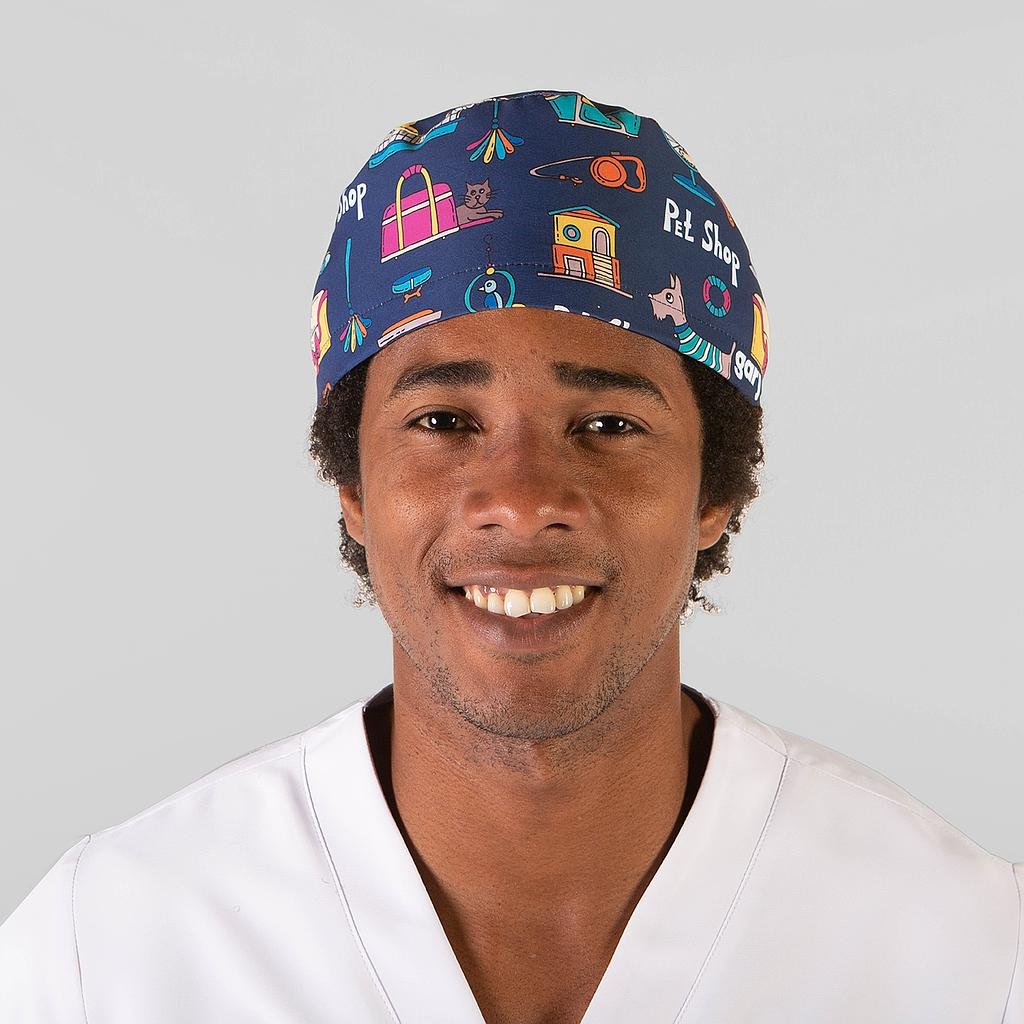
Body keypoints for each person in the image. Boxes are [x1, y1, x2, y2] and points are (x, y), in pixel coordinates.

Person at [1, 87, 1020, 1023]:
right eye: (444, 420)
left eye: (609, 425)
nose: (523, 500)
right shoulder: (108, 951)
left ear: (714, 489)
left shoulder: (965, 953)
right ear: (353, 487)